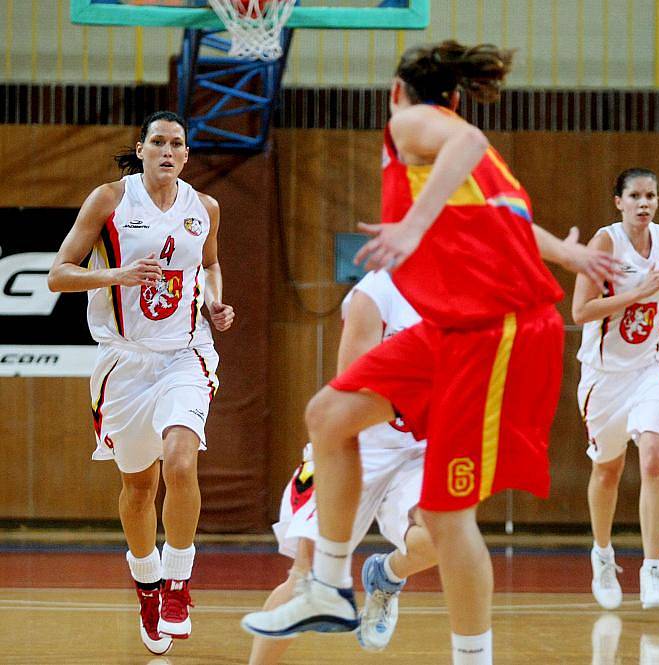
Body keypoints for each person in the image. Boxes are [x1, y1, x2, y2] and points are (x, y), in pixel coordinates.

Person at [242, 40, 617, 665]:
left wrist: (412, 225)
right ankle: (331, 589)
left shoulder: (414, 127)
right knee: (328, 416)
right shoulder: (475, 171)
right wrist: (571, 255)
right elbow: (510, 223)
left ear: (399, 91)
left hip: (498, 332)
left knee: (446, 518)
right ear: (452, 94)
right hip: (452, 329)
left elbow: (466, 141)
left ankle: (472, 657)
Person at [47, 110, 234, 655]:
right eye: (159, 142)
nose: (168, 150)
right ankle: (147, 585)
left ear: (186, 154)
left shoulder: (205, 209)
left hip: (186, 353)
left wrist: (216, 303)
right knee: (138, 486)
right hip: (124, 363)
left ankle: (178, 581)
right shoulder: (109, 199)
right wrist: (115, 275)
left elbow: (212, 266)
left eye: (177, 143)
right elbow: (59, 273)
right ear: (143, 148)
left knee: (180, 460)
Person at [247, 269, 437, 664]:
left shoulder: (472, 294)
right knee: (304, 579)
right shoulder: (379, 289)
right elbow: (349, 390)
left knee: (439, 539)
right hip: (355, 444)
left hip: (420, 448)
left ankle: (387, 576)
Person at [572, 168, 659, 611]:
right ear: (618, 201)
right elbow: (581, 310)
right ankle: (602, 556)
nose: (645, 203)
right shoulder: (604, 244)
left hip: (653, 365)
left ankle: (652, 568)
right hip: (605, 375)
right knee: (607, 470)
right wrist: (638, 292)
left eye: (651, 196)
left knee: (655, 456)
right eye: (635, 196)